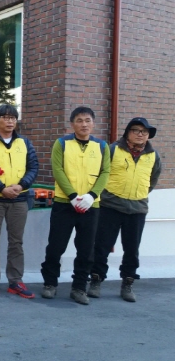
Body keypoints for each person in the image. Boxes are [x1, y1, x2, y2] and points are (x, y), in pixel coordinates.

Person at [40, 106, 110, 305]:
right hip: (64, 204)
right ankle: (50, 283)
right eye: (79, 120)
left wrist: (91, 195)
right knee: (56, 247)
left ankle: (79, 287)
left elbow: (105, 172)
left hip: (91, 206)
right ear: (72, 124)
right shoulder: (62, 143)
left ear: (93, 123)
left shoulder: (101, 146)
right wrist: (72, 196)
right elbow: (58, 169)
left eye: (88, 120)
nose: (84, 124)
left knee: (86, 250)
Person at [88, 118, 161, 302]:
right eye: (136, 130)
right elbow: (101, 174)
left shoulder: (153, 156)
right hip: (110, 206)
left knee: (132, 249)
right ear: (127, 132)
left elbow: (152, 180)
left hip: (137, 208)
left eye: (144, 132)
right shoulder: (113, 150)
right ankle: (96, 280)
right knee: (102, 246)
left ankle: (127, 283)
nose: (140, 134)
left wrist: (139, 193)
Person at [0, 104, 39, 298]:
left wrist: (21, 186)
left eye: (13, 118)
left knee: (16, 241)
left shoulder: (25, 143)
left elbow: (33, 167)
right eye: (5, 117)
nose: (10, 121)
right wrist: (1, 188)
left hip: (19, 199)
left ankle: (15, 281)